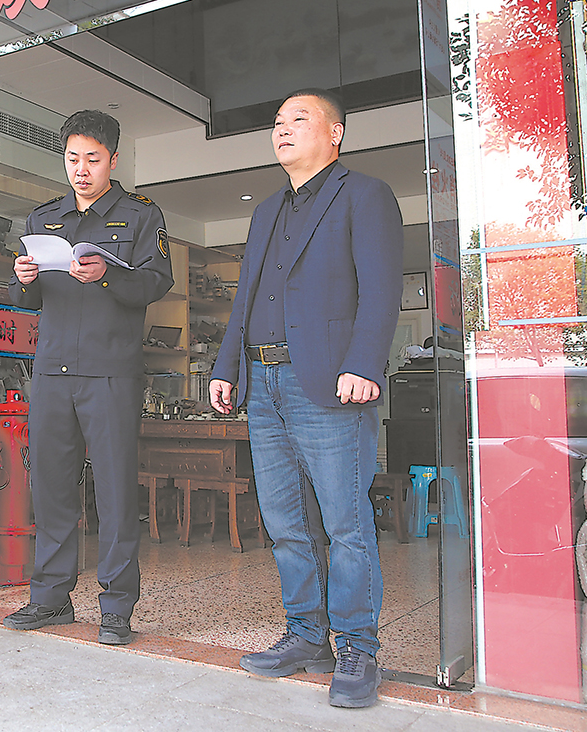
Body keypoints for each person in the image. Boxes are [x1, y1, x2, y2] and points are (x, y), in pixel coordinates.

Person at [209, 88, 403, 708]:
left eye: (299, 119)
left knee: (345, 522)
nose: (283, 129)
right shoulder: (267, 210)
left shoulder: (364, 195)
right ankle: (305, 634)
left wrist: (364, 363)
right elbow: (246, 295)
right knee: (284, 522)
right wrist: (227, 365)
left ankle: (357, 647)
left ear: (335, 132)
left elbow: (381, 289)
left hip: (328, 381)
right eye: (277, 122)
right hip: (263, 383)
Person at [4, 110, 174, 645]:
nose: (81, 170)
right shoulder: (43, 218)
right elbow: (29, 301)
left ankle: (117, 607)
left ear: (113, 160)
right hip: (52, 371)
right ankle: (51, 597)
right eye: (73, 159)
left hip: (110, 373)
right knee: (51, 487)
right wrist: (23, 279)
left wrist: (108, 276)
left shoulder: (141, 215)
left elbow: (156, 282)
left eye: (92, 160)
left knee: (116, 492)